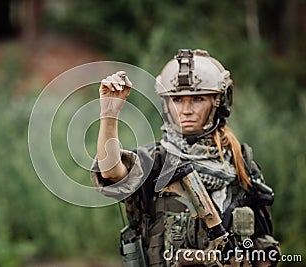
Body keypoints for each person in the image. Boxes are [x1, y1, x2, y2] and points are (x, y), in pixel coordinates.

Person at [91, 49, 280, 267]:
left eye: (198, 99)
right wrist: (109, 114)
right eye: (177, 100)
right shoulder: (155, 161)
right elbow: (111, 171)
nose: (186, 110)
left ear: (219, 102)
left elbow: (265, 245)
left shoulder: (241, 162)